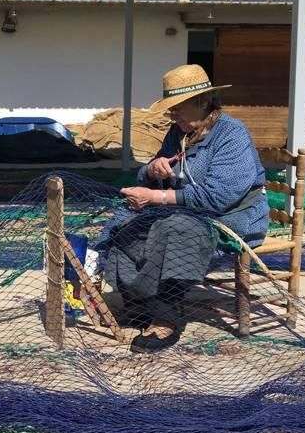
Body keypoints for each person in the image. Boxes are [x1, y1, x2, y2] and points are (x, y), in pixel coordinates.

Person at [104, 64, 269, 353]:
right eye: (171, 108)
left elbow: (218, 197)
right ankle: (141, 301)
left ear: (203, 102)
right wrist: (152, 171)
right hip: (185, 211)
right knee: (124, 224)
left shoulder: (231, 134)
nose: (172, 113)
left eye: (177, 107)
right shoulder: (177, 133)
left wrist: (154, 199)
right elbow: (152, 175)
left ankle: (166, 316)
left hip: (232, 217)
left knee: (177, 230)